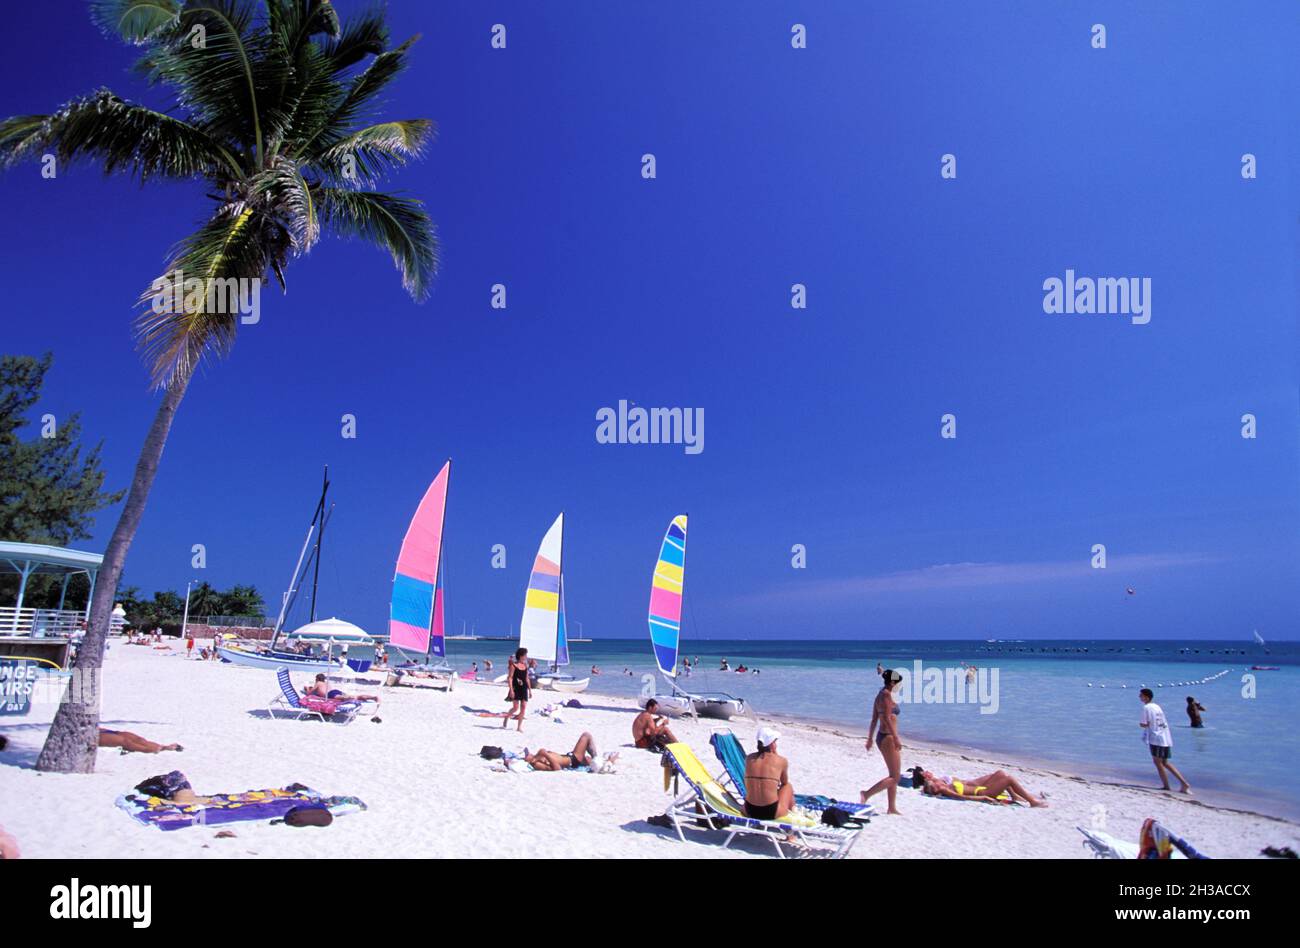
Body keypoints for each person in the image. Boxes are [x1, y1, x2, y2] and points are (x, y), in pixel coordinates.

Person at [861, 668, 904, 814]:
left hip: (882, 736)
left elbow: (874, 719)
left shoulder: (880, 694)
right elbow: (885, 718)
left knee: (893, 773)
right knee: (895, 777)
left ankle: (891, 807)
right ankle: (866, 794)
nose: (899, 685)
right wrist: (896, 738)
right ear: (892, 682)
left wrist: (870, 739)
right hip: (888, 738)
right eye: (898, 682)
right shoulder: (886, 695)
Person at [1140, 688, 1191, 794]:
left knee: (1158, 762)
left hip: (1156, 737)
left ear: (1146, 697)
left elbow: (1144, 723)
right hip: (1165, 736)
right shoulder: (1157, 706)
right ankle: (1184, 783)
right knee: (1165, 762)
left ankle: (1166, 786)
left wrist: (1142, 725)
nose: (1139, 697)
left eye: (1141, 695)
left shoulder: (1146, 707)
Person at [916, 769, 1048, 806]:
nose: (938, 785)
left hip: (982, 790)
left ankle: (1016, 796)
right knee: (1008, 779)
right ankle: (1033, 802)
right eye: (935, 787)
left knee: (1000, 773)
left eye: (935, 785)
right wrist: (984, 798)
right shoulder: (945, 790)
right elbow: (963, 797)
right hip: (985, 793)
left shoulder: (944, 785)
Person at [743, 726, 794, 820]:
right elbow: (784, 782)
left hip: (749, 810)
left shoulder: (749, 758)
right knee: (788, 787)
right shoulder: (781, 760)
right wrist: (775, 753)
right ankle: (791, 820)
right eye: (775, 742)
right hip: (770, 812)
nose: (776, 744)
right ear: (771, 744)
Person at [525, 732, 608, 771]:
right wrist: (546, 754)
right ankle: (597, 759)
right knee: (586, 736)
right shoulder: (536, 764)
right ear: (528, 761)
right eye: (527, 756)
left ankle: (599, 761)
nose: (529, 754)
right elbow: (557, 769)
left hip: (569, 756)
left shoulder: (537, 757)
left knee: (589, 760)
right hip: (573, 760)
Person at [302, 674, 379, 704]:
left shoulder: (318, 683)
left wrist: (307, 688)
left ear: (317, 679)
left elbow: (309, 693)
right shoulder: (326, 683)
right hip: (335, 691)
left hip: (330, 694)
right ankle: (373, 697)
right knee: (356, 696)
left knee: (349, 697)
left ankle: (350, 697)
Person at [504, 648, 530, 731]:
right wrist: (511, 690)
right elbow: (510, 678)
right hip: (516, 688)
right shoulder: (513, 665)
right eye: (525, 655)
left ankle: (519, 727)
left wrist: (530, 690)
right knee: (515, 708)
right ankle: (507, 717)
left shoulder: (525, 665)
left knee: (523, 707)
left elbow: (527, 678)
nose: (526, 656)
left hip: (524, 689)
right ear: (521, 656)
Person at [98, 728, 183, 754]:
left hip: (98, 729)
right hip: (93, 735)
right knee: (125, 741)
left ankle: (162, 747)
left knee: (138, 739)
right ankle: (149, 749)